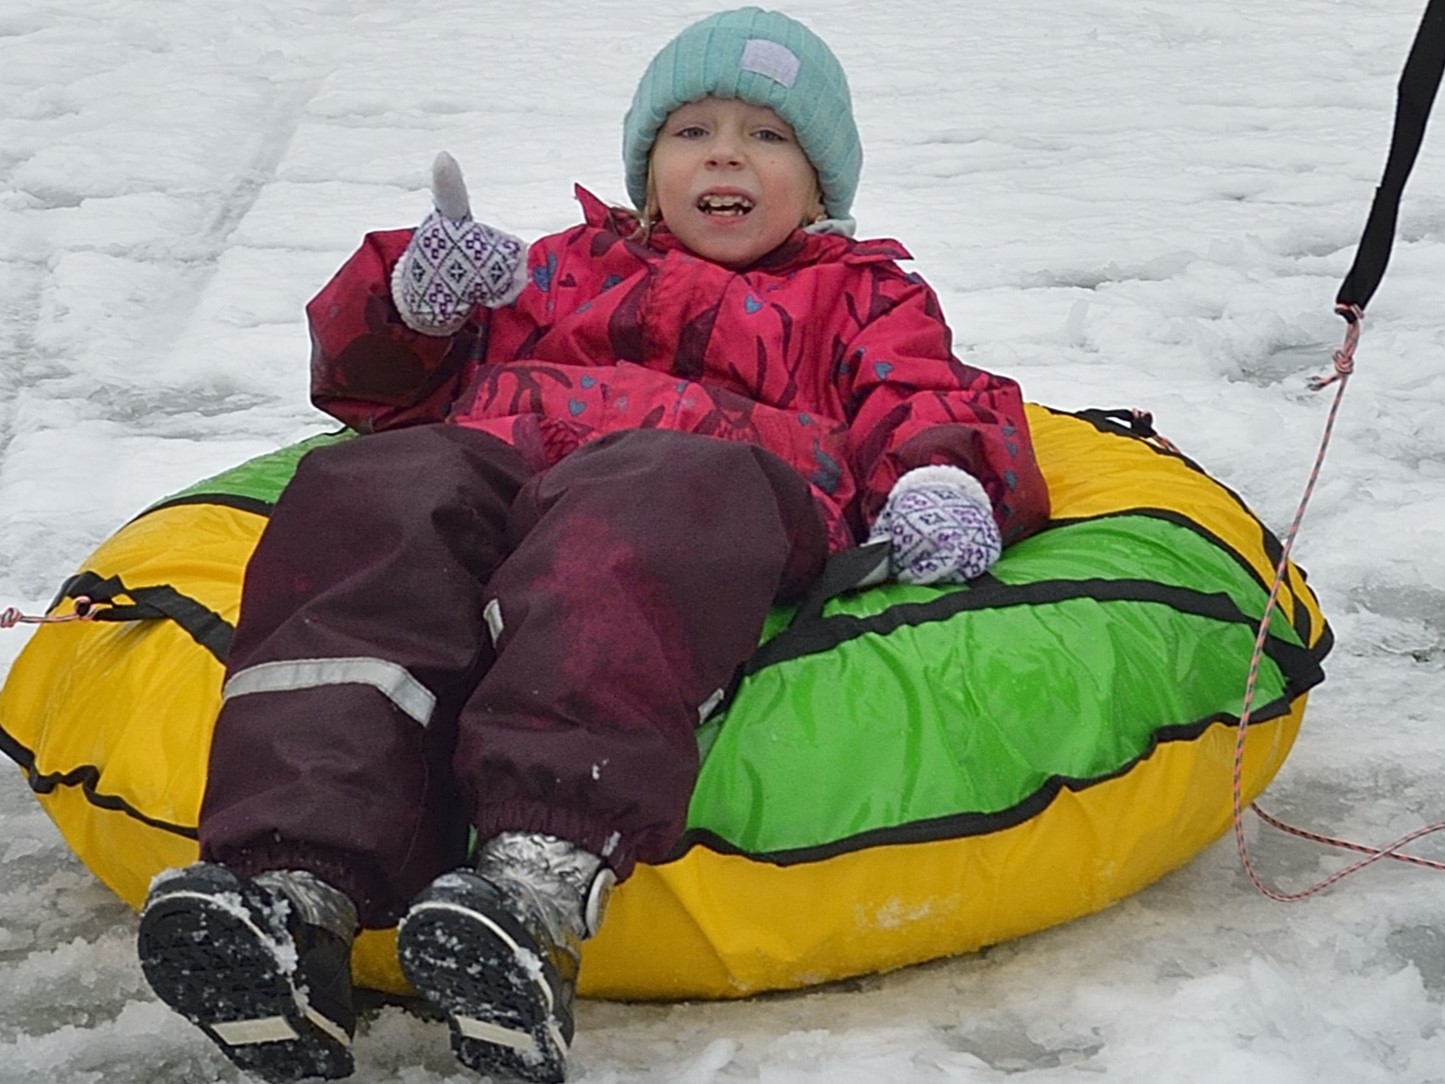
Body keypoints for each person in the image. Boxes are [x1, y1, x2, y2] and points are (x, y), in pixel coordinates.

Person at [134, 7, 1051, 1084]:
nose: (723, 152)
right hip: (503, 459)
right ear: (643, 167)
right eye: (690, 131)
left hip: (707, 484)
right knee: (377, 485)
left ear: (820, 185)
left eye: (766, 136)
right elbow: (378, 391)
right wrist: (413, 307)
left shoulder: (856, 292)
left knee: (638, 508)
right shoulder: (557, 269)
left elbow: (925, 391)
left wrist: (938, 477)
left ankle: (533, 884)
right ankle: (293, 890)